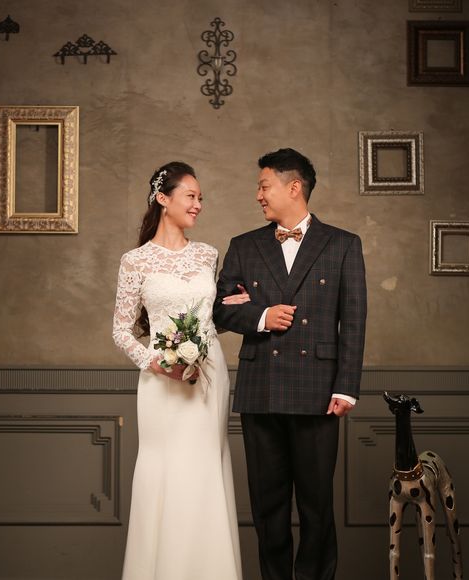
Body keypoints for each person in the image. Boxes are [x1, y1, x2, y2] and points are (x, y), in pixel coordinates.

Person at [213, 148, 367, 580]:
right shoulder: (244, 245)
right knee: (268, 508)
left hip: (319, 392)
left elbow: (354, 319)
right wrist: (262, 315)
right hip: (260, 390)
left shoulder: (343, 244)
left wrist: (346, 386)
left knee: (316, 507)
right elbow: (220, 310)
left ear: (293, 187)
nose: (258, 195)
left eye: (264, 186)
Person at [112, 161, 244, 580]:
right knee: (165, 470)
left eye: (201, 198)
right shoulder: (135, 261)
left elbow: (208, 318)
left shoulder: (207, 254)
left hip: (208, 375)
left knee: (204, 469)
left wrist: (233, 308)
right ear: (162, 199)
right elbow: (120, 330)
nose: (198, 204)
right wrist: (155, 363)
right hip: (161, 382)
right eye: (190, 196)